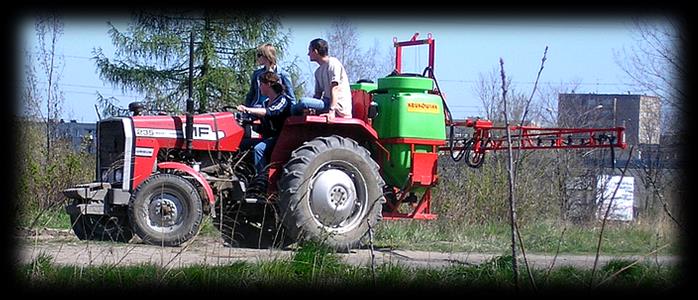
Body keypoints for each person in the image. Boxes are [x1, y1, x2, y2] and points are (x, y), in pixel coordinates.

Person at [237, 71, 292, 192]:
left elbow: (270, 112)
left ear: (268, 85)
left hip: (280, 138)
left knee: (259, 148)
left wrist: (247, 109)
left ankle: (261, 182)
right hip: (267, 138)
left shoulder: (282, 100)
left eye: (261, 84)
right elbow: (258, 115)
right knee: (240, 144)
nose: (259, 87)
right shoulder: (265, 102)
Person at [292, 38, 352, 119]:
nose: (308, 54)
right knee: (295, 107)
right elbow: (318, 94)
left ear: (315, 51)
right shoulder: (318, 72)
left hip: (337, 105)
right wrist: (311, 108)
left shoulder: (333, 63)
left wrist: (331, 111)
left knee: (303, 102)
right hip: (325, 102)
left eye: (309, 51)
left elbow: (335, 88)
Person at [245, 43, 296, 108]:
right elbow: (251, 94)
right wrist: (246, 108)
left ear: (266, 56)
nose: (257, 58)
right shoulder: (257, 74)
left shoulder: (283, 74)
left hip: (275, 108)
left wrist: (293, 112)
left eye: (259, 55)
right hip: (257, 107)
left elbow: (290, 96)